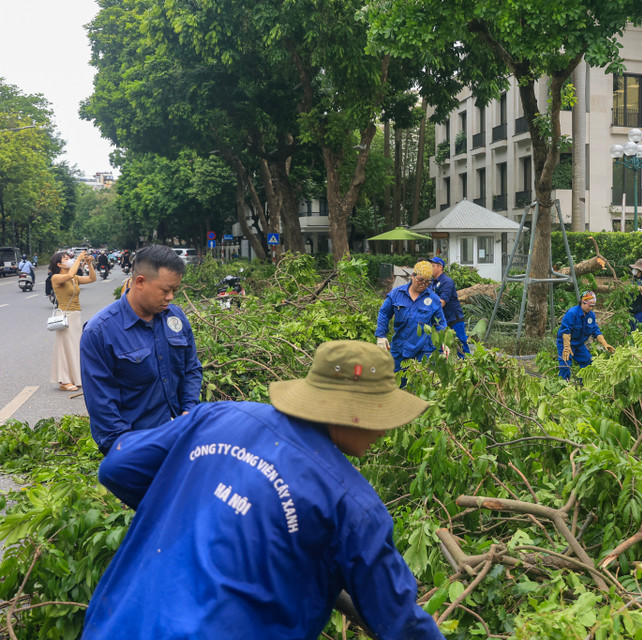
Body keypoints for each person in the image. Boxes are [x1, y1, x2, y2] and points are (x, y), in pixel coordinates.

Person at [81, 340, 444, 640]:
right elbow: (400, 622)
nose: (386, 429)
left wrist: (194, 504)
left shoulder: (216, 416)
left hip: (120, 621)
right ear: (351, 412)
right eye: (381, 414)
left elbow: (118, 466)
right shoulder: (352, 506)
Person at [80, 245, 203, 455]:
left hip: (178, 437)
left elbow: (191, 369)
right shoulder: (99, 331)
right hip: (132, 445)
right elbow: (102, 404)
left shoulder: (176, 317)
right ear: (140, 282)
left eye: (175, 290)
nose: (171, 297)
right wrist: (130, 448)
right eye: (165, 290)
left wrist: (188, 411)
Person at [376, 260, 448, 373]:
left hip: (423, 351)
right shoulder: (396, 294)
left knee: (421, 383)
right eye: (420, 280)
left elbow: (440, 323)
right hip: (399, 349)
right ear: (413, 276)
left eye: (427, 282)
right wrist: (381, 335)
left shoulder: (433, 299)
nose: (423, 284)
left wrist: (444, 341)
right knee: (397, 382)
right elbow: (384, 313)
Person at [50, 250, 97, 391]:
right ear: (59, 264)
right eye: (66, 258)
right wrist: (78, 259)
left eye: (70, 258)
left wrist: (89, 264)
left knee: (75, 347)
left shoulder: (74, 278)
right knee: (64, 347)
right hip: (66, 315)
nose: (69, 260)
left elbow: (92, 279)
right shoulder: (56, 277)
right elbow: (69, 274)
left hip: (76, 315)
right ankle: (63, 381)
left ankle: (75, 378)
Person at [557, 290, 615, 380]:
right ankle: (563, 386)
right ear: (583, 302)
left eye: (592, 306)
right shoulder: (572, 313)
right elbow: (566, 330)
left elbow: (595, 330)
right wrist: (566, 346)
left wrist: (605, 343)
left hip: (579, 344)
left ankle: (584, 384)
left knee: (587, 360)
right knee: (565, 365)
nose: (591, 308)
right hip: (566, 343)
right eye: (589, 305)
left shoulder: (591, 315)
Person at [429, 256, 470, 357]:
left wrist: (427, 311)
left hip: (454, 318)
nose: (430, 269)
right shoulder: (432, 283)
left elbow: (442, 302)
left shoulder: (446, 281)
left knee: (460, 343)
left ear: (440, 267)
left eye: (432, 266)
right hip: (442, 320)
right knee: (440, 345)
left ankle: (468, 365)